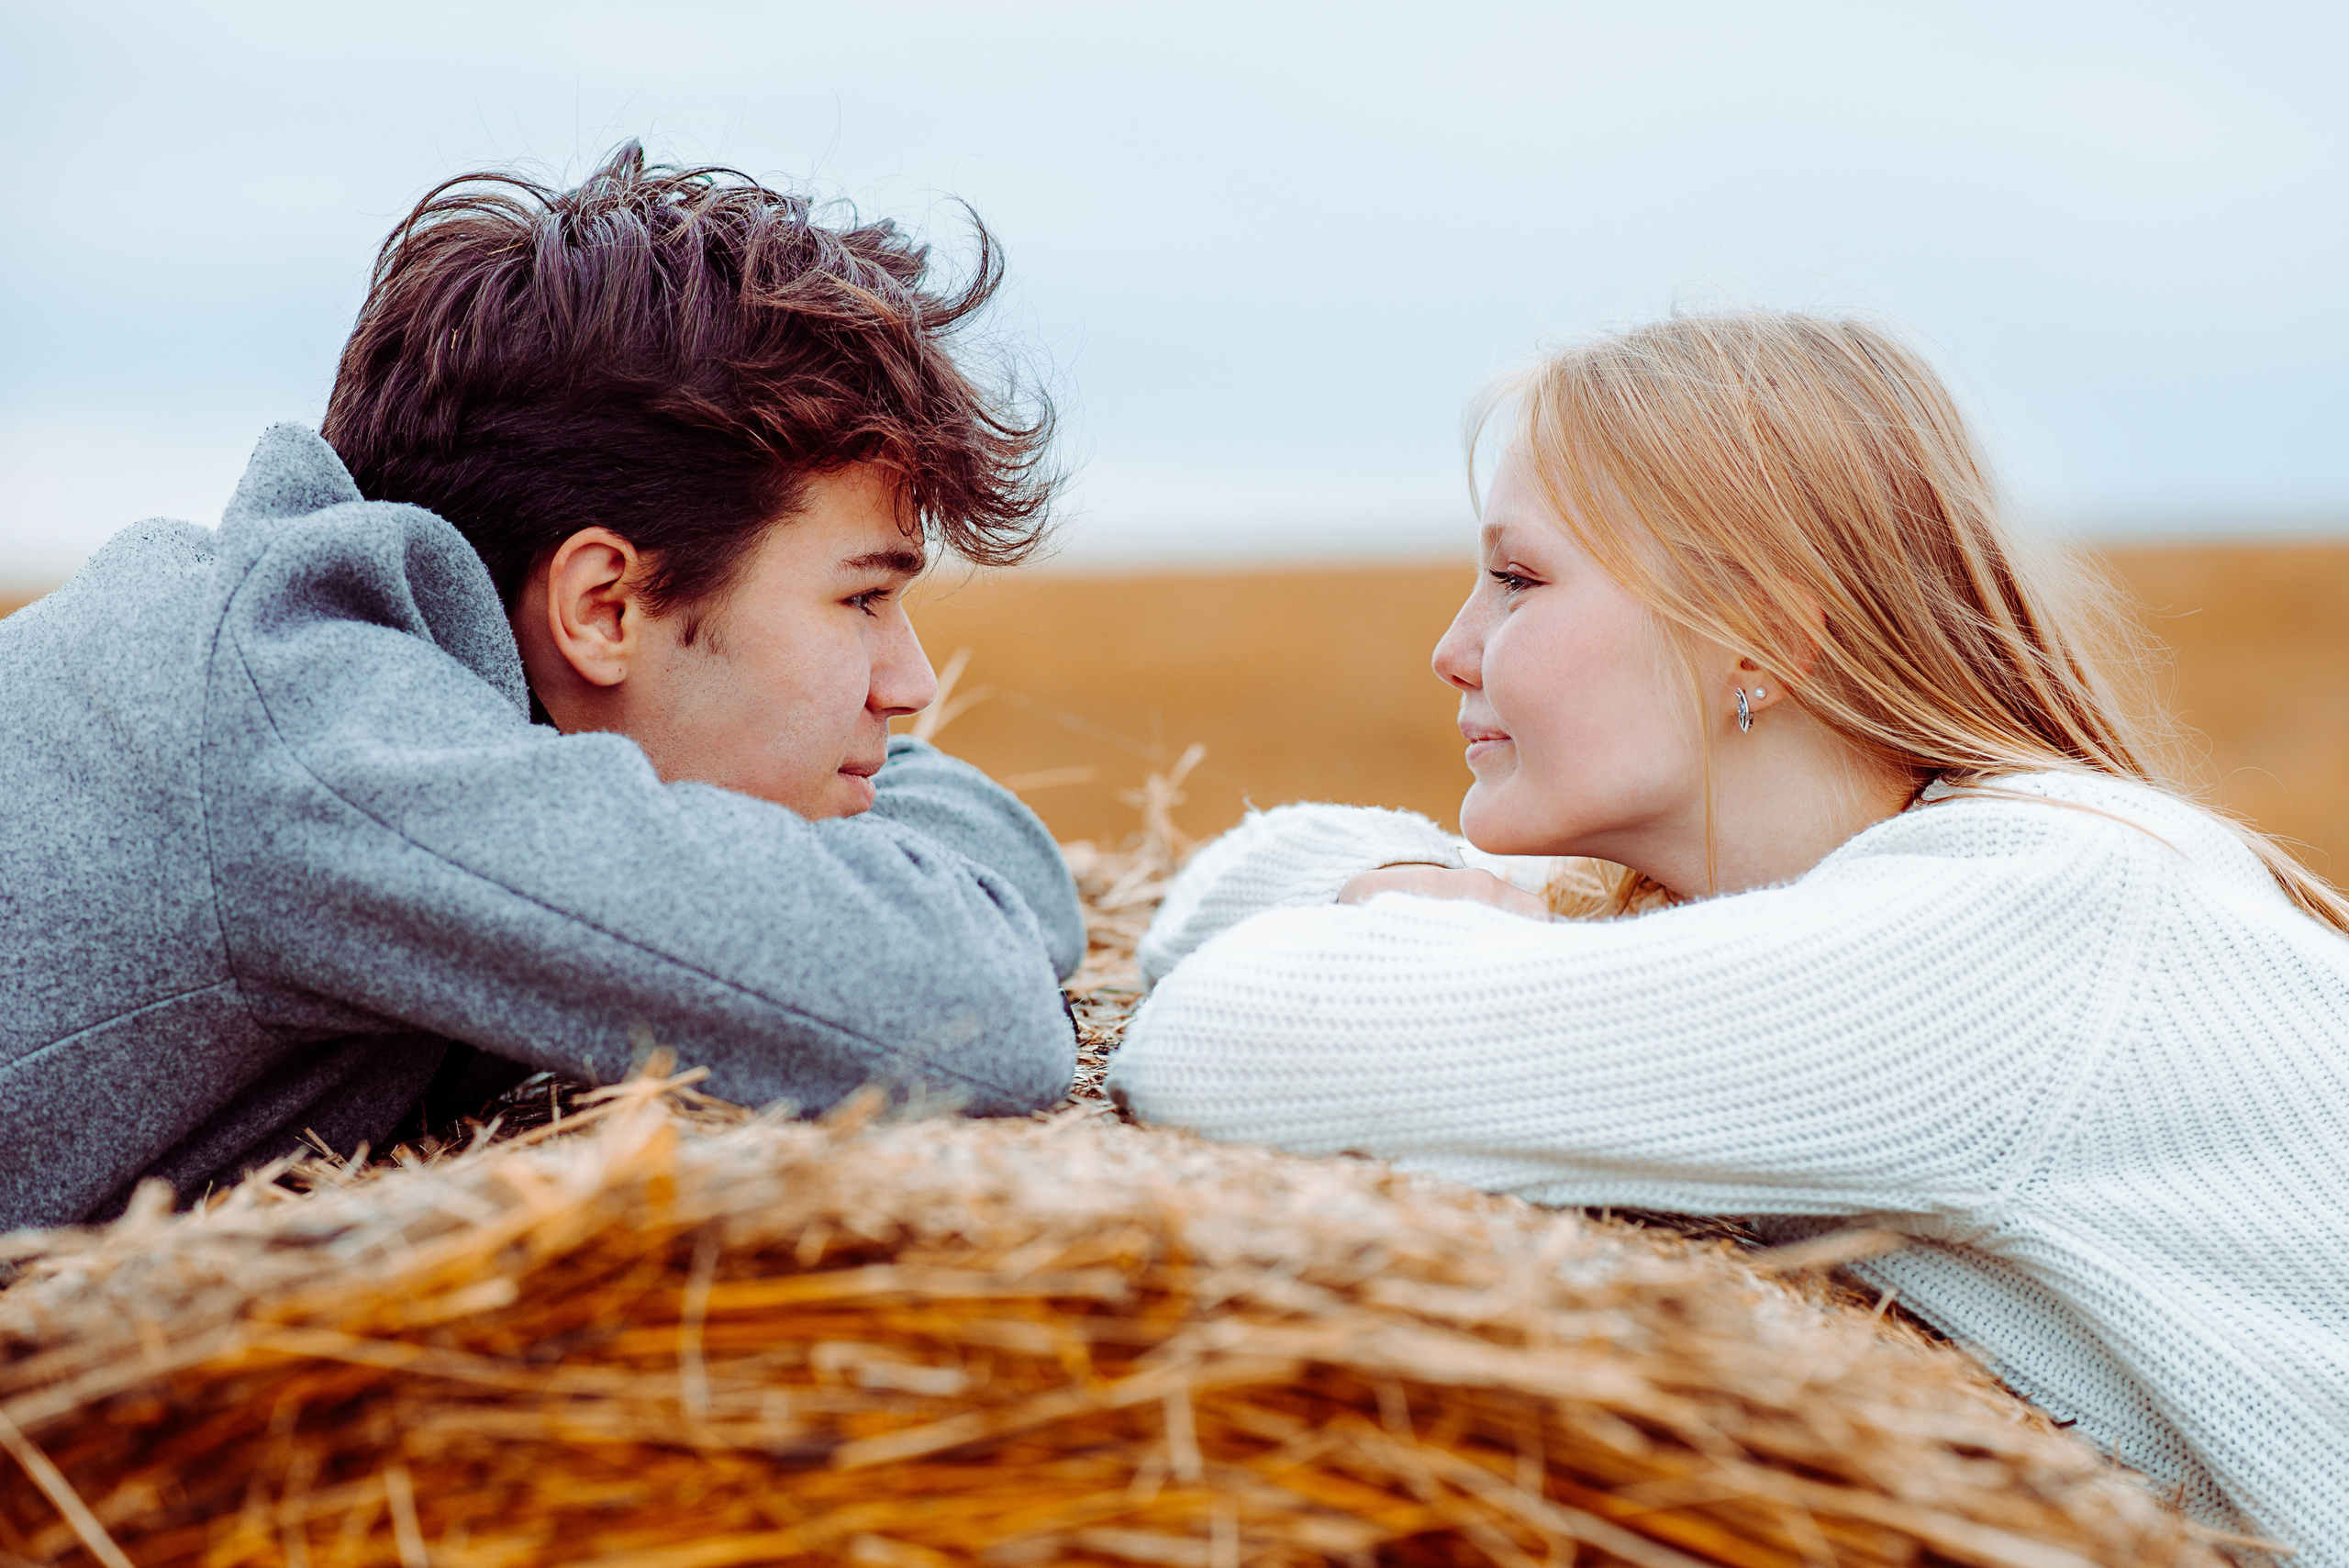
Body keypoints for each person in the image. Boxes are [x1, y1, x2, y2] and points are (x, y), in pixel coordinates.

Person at [1109, 313, 2349, 1558]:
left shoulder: (2023, 923)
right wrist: (1494, 906)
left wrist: (1500, 932)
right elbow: (1233, 885)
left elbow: (1224, 1043)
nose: (1453, 647)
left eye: (1520, 578)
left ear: (1757, 634)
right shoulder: (1914, 888)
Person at [0, 144, 1085, 1232]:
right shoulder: (325, 750)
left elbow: (1009, 872)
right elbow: (972, 1014)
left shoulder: (387, 695)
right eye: (860, 600)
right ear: (604, 608)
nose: (911, 683)